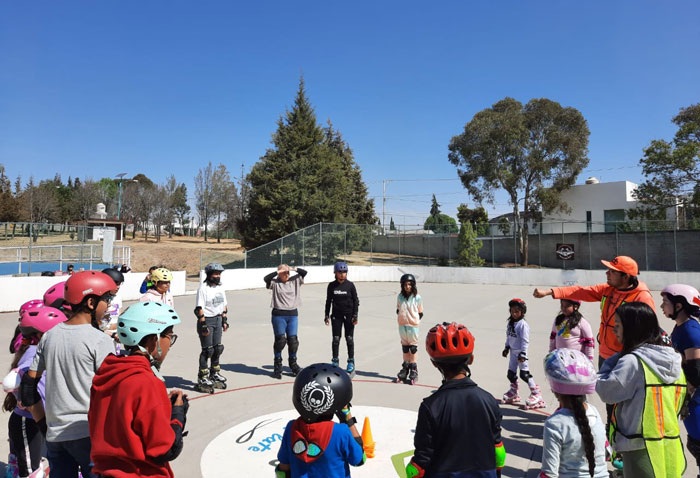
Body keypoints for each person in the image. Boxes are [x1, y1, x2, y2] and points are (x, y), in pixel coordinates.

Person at [19, 271, 118, 478]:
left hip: (56, 436)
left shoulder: (50, 336)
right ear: (91, 302)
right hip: (89, 434)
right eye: (107, 299)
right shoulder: (100, 340)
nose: (108, 305)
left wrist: (43, 425)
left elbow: (28, 386)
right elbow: (113, 392)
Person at [89, 301, 188, 478]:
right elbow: (165, 450)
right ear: (153, 339)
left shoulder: (108, 371)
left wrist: (160, 404)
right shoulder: (147, 382)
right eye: (169, 337)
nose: (169, 344)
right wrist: (178, 414)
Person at [597, 302, 686, 478]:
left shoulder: (632, 362)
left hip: (639, 447)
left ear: (632, 329)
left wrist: (613, 360)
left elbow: (606, 391)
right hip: (670, 444)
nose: (614, 330)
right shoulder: (673, 359)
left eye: (618, 325)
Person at [405, 322, 505, 477]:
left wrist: (411, 470)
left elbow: (421, 463)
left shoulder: (430, 407)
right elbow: (499, 453)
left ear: (434, 363)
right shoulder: (489, 401)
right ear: (470, 359)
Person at [533, 255, 655, 368]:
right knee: (604, 390)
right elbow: (579, 291)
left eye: (612, 271)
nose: (607, 273)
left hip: (626, 357)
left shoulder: (642, 297)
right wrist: (549, 292)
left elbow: (648, 333)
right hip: (604, 354)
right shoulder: (608, 289)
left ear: (625, 277)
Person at [3, 306, 65, 478]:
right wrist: (20, 388)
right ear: (40, 335)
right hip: (27, 421)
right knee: (32, 471)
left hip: (36, 419)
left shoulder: (43, 350)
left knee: (27, 463)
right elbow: (11, 381)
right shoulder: (34, 352)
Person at [275, 363, 365, 478]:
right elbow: (359, 460)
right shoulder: (340, 432)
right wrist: (347, 418)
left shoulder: (291, 428)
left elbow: (283, 469)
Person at [540, 348, 608, 478]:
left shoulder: (555, 424)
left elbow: (549, 474)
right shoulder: (594, 412)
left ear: (554, 389)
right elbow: (606, 453)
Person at [661, 284, 700, 474]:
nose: (661, 306)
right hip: (690, 402)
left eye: (665, 302)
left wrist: (684, 400)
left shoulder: (691, 330)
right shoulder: (680, 328)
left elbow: (696, 373)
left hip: (695, 402)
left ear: (679, 305)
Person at [264, 264, 307, 379]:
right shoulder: (274, 283)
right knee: (280, 340)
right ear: (279, 273)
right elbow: (266, 279)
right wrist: (278, 272)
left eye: (288, 272)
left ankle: (293, 364)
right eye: (284, 273)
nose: (287, 274)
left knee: (293, 341)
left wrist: (293, 269)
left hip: (292, 315)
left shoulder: (295, 280)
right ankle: (277, 365)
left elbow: (304, 273)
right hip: (279, 315)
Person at [501, 298, 545, 409]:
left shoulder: (523, 325)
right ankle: (514, 392)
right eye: (512, 311)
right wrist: (506, 347)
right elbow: (509, 336)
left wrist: (523, 354)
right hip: (512, 352)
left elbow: (525, 341)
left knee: (524, 374)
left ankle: (536, 393)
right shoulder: (510, 323)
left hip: (520, 354)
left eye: (517, 311)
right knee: (511, 374)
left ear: (522, 312)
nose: (514, 313)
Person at [194, 263, 229, 393]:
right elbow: (199, 308)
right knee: (207, 350)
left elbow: (224, 305)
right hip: (207, 320)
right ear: (209, 275)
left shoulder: (220, 288)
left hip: (218, 319)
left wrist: (224, 319)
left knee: (217, 348)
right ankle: (202, 377)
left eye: (219, 274)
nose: (218, 276)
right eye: (215, 274)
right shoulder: (203, 289)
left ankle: (214, 373)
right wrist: (203, 325)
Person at [324, 262, 359, 375]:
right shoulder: (331, 286)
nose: (342, 274)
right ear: (335, 273)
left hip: (349, 315)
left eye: (344, 272)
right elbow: (328, 301)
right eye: (340, 272)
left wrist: (355, 315)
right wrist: (326, 315)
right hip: (336, 316)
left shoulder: (350, 285)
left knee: (349, 338)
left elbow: (356, 301)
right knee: (336, 339)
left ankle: (351, 361)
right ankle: (335, 360)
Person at [395, 274, 423, 385]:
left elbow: (420, 312)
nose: (407, 287)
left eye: (410, 284)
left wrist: (414, 320)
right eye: (405, 284)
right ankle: (405, 367)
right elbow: (398, 309)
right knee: (405, 347)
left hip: (413, 326)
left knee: (413, 348)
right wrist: (402, 319)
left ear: (413, 285)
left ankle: (414, 368)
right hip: (402, 325)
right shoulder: (400, 297)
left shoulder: (417, 297)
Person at [101, 267, 125, 341]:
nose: (118, 287)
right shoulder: (99, 300)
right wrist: (111, 333)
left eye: (119, 284)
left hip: (116, 335)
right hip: (104, 336)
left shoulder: (118, 297)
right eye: (116, 284)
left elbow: (120, 315)